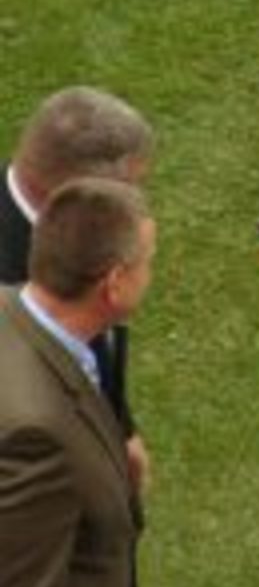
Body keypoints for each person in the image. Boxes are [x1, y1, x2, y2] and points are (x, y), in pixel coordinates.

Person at [0, 177, 157, 587]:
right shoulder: (37, 435)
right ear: (113, 283)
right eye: (146, 263)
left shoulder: (12, 311)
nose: (150, 274)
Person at [1, 86, 155, 493]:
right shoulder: (11, 278)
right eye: (132, 187)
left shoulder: (71, 232)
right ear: (81, 188)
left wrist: (119, 426)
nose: (138, 201)